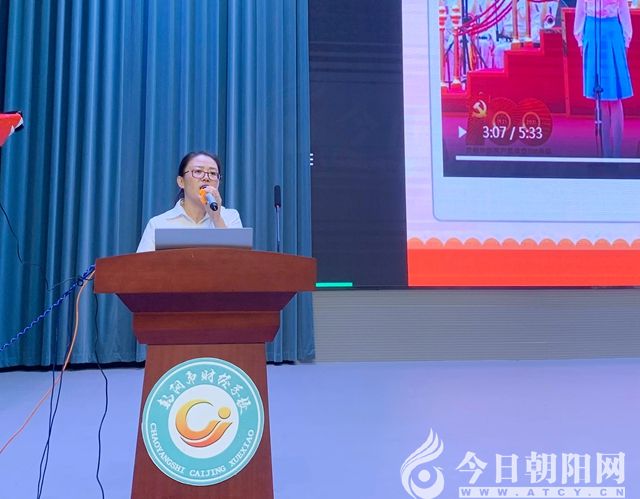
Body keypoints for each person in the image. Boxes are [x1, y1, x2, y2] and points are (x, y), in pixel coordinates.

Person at [137, 151, 242, 252]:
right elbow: (142, 263)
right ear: (181, 181)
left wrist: (217, 218)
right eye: (198, 171)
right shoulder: (159, 224)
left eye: (213, 173)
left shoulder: (230, 217)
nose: (206, 178)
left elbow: (238, 260)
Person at [574, 0, 633, 157]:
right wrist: (580, 39)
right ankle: (606, 154)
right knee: (600, 99)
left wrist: (626, 39)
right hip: (591, 30)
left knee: (614, 98)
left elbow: (623, 9)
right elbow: (581, 9)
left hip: (612, 31)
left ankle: (617, 153)